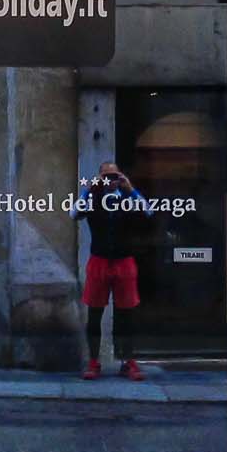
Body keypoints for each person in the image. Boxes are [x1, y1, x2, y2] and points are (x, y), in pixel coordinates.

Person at [76, 161, 146, 381]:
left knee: (126, 314)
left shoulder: (127, 198)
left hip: (124, 261)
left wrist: (130, 188)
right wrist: (89, 188)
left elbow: (149, 211)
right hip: (99, 261)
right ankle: (94, 362)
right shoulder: (93, 198)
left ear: (120, 177)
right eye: (105, 176)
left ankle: (128, 361)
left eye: (114, 176)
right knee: (95, 314)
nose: (110, 180)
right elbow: (73, 213)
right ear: (100, 178)